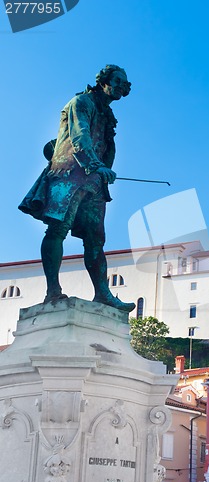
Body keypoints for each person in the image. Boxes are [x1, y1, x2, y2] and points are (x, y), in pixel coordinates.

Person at [19, 65, 135, 312]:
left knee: (95, 240)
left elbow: (104, 147)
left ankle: (102, 294)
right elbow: (79, 135)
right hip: (70, 173)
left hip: (94, 181)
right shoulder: (81, 102)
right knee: (57, 228)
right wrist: (95, 165)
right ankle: (53, 291)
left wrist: (102, 172)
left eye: (125, 84)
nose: (122, 87)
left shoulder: (107, 115)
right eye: (118, 81)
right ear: (103, 81)